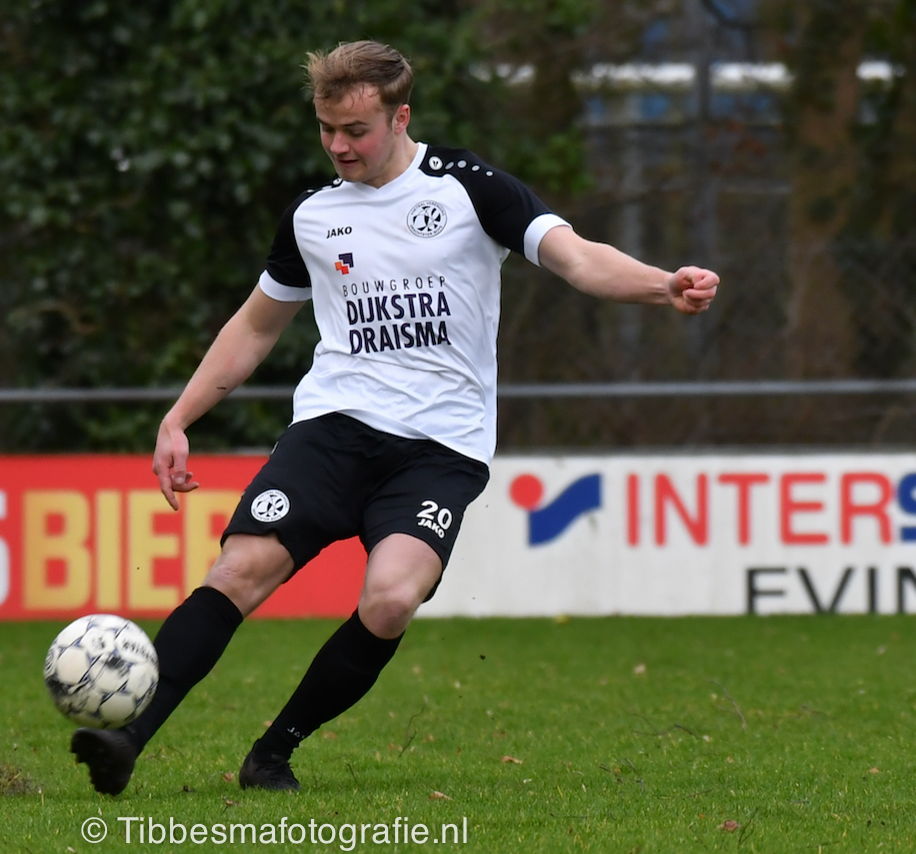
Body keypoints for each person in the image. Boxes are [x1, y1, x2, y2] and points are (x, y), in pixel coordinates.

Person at [70, 40, 719, 795]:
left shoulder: (471, 189)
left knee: (390, 599)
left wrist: (661, 284)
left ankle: (272, 753)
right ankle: (125, 740)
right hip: (333, 429)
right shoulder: (313, 216)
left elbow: (575, 258)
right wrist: (179, 418)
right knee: (240, 569)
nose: (339, 146)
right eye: (326, 129)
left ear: (400, 116)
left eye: (357, 130)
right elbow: (254, 326)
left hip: (441, 449)